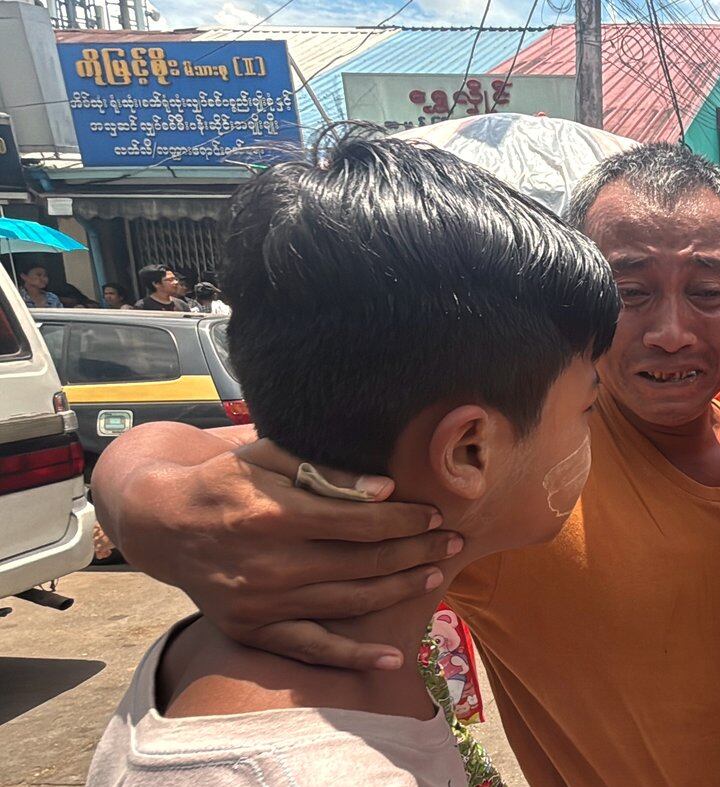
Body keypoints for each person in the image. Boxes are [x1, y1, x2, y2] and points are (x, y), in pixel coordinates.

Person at [90, 145, 720, 786]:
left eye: (705, 293)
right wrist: (153, 502)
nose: (670, 331)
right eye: (628, 291)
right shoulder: (527, 460)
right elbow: (208, 449)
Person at [85, 137, 620, 785]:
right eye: (587, 406)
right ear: (468, 451)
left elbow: (173, 444)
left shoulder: (220, 639)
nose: (592, 429)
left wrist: (141, 491)